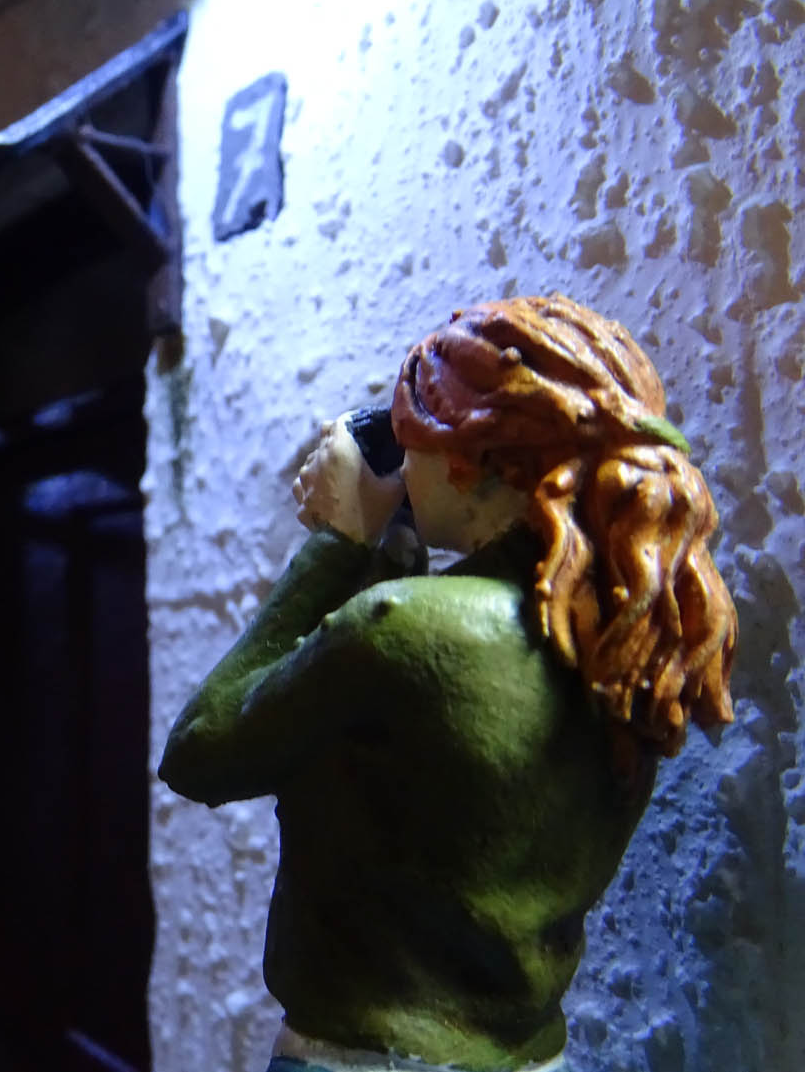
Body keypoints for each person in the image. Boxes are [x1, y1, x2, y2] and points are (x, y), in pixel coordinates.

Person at [158, 295, 736, 1072]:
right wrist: (394, 550)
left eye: (412, 439)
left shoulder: (405, 628)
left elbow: (199, 750)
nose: (403, 461)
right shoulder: (628, 637)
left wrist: (339, 544)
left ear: (471, 459)